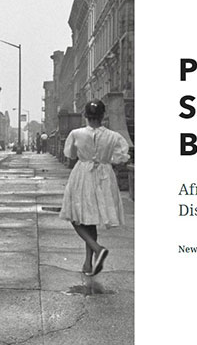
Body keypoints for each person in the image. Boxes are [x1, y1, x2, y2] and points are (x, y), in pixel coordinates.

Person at [60, 99, 130, 276]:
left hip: (83, 174)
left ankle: (97, 249)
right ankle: (88, 263)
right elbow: (121, 157)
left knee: (76, 217)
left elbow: (70, 155)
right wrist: (105, 160)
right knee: (90, 219)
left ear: (85, 115)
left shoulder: (76, 134)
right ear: (103, 115)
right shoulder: (114, 136)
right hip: (104, 176)